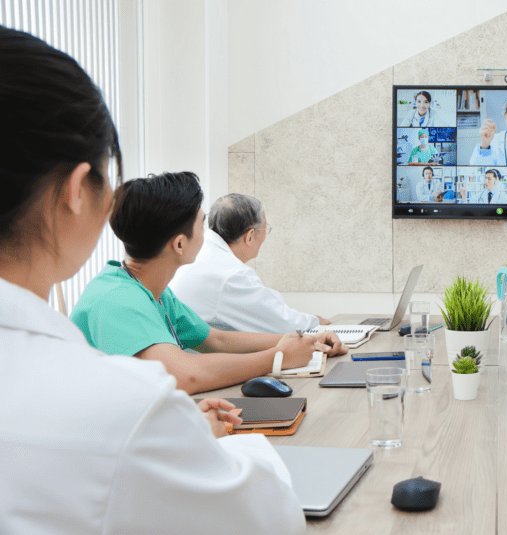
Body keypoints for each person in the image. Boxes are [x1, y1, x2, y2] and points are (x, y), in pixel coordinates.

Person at [0, 26, 305, 533]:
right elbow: (269, 517)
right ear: (76, 191)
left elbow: (213, 339)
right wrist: (186, 432)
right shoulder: (124, 397)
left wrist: (290, 345)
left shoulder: (149, 299)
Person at [71, 171, 347, 395]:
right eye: (202, 224)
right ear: (180, 244)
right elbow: (185, 375)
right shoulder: (116, 301)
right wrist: (279, 357)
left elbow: (217, 339)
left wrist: (304, 341)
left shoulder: (153, 292)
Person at [169, 193, 330, 333]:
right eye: (265, 230)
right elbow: (283, 325)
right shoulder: (231, 274)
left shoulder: (202, 253)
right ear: (250, 236)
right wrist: (316, 322)